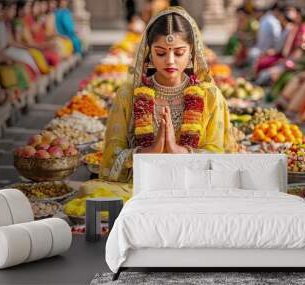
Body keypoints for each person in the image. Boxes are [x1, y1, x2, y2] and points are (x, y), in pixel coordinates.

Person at [100, 7, 236, 182]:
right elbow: (112, 153)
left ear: (192, 53)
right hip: (139, 186)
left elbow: (219, 156)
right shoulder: (129, 94)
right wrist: (146, 152)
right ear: (149, 53)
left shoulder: (209, 95)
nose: (170, 61)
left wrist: (180, 152)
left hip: (193, 186)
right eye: (161, 53)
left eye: (179, 53)